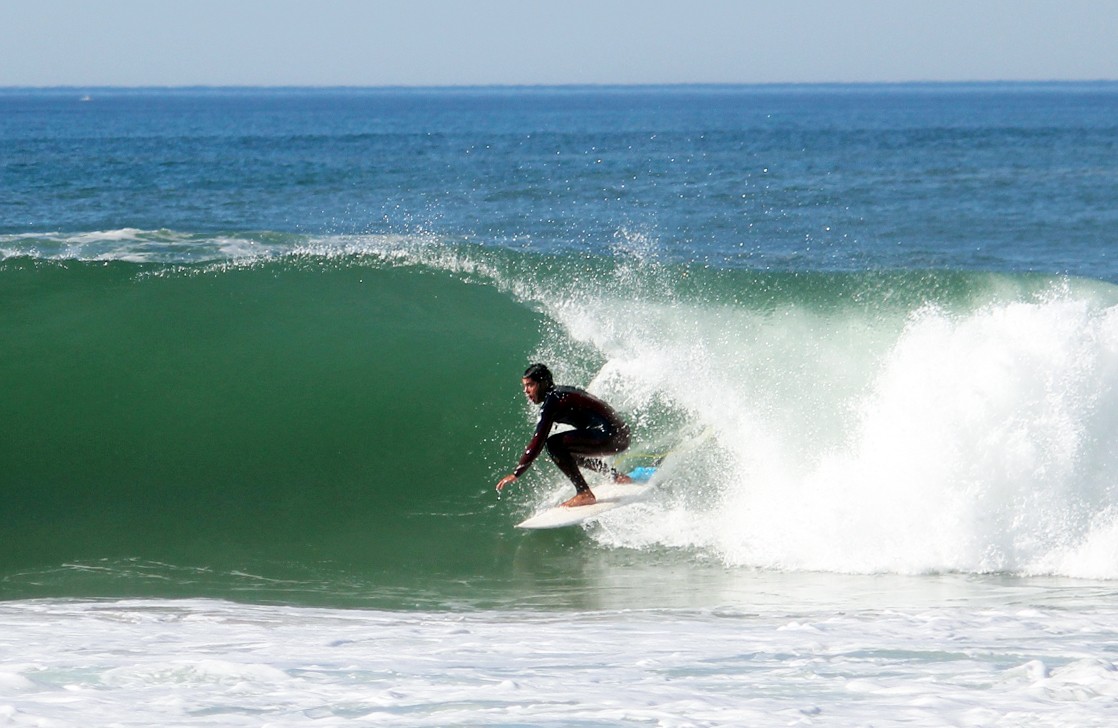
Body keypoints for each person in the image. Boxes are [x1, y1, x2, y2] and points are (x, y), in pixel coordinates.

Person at [496, 363, 632, 507]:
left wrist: (517, 472)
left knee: (553, 444)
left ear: (543, 383)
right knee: (569, 451)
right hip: (620, 434)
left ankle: (584, 493)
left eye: (530, 385)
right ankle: (616, 476)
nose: (526, 391)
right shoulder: (562, 393)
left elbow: (538, 441)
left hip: (613, 437)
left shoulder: (553, 401)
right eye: (524, 386)